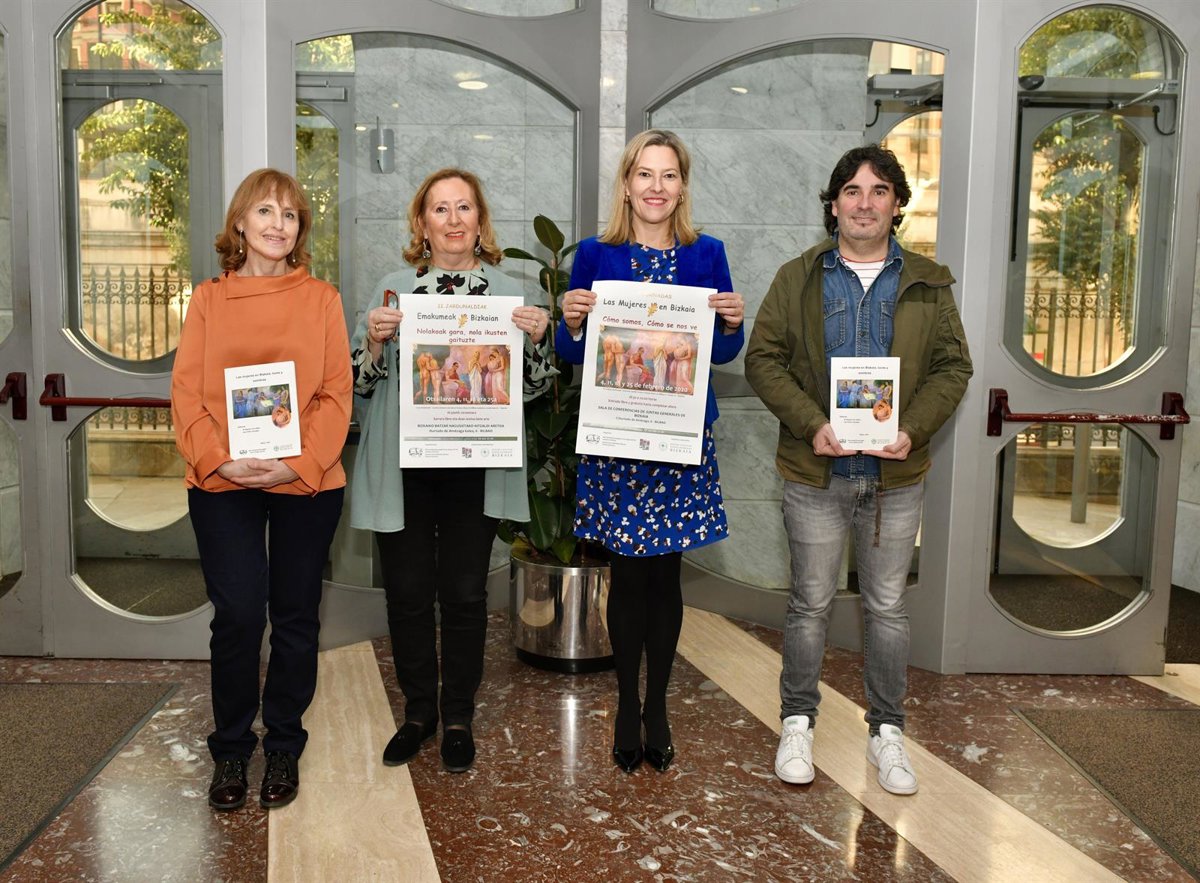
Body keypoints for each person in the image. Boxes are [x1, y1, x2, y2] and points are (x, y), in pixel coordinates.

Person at [745, 145, 972, 795]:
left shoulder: (928, 282)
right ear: (834, 203)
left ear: (897, 204)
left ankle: (887, 733)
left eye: (878, 191)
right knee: (809, 604)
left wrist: (913, 428)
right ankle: (797, 723)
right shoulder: (798, 277)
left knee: (888, 609)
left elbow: (953, 367)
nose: (864, 203)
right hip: (816, 473)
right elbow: (763, 359)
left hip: (895, 477)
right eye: (852, 190)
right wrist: (811, 423)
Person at [349, 168, 554, 773]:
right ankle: (419, 714)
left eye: (464, 207)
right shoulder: (391, 291)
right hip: (404, 468)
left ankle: (459, 715)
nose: (453, 219)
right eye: (440, 209)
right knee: (408, 595)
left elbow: (533, 392)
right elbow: (360, 386)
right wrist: (376, 344)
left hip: (476, 466)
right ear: (422, 223)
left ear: (480, 220)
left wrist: (538, 341)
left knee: (465, 595)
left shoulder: (511, 295)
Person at [558, 129, 745, 773]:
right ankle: (625, 704)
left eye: (668, 175)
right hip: (616, 438)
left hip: (679, 438)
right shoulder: (594, 254)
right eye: (645, 174)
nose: (656, 187)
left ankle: (657, 707)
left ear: (682, 186)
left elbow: (722, 353)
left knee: (664, 577)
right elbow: (572, 351)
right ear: (626, 184)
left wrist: (732, 322)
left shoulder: (707, 254)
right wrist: (572, 320)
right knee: (627, 576)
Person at [171, 168, 352, 812]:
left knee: (296, 616)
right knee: (240, 616)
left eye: (291, 215)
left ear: (301, 230)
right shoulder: (207, 300)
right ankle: (229, 748)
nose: (279, 224)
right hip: (223, 480)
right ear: (240, 224)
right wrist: (220, 461)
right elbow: (186, 394)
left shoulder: (322, 299)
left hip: (304, 480)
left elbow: (335, 392)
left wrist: (294, 464)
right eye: (266, 211)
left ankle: (283, 743)